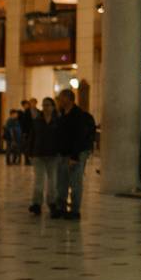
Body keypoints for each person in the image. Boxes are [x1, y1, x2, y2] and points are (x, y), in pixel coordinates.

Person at [54, 88, 95, 221]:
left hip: (75, 154)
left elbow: (80, 137)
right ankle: (61, 208)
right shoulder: (61, 114)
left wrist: (74, 156)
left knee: (75, 183)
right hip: (62, 153)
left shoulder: (79, 115)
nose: (59, 100)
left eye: (61, 97)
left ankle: (75, 210)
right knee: (61, 183)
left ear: (68, 99)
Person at [28, 97, 61, 217]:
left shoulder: (58, 121)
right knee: (39, 181)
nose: (46, 108)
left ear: (53, 107)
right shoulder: (37, 120)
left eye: (48, 105)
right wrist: (30, 153)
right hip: (38, 154)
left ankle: (52, 203)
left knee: (53, 182)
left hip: (53, 154)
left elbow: (61, 138)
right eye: (44, 105)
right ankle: (36, 204)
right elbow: (32, 137)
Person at [18, 99, 34, 165]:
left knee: (28, 147)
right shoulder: (26, 112)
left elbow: (27, 123)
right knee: (26, 147)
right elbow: (24, 123)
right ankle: (27, 160)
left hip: (28, 132)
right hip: (27, 132)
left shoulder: (28, 112)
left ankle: (28, 160)